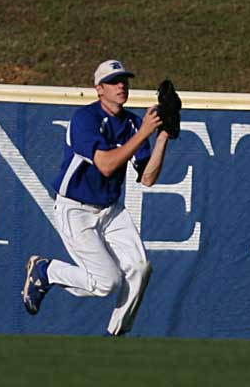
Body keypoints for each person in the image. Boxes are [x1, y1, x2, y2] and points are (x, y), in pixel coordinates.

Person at [22, 59, 170, 336]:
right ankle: (47, 271)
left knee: (140, 268)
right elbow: (106, 165)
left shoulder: (133, 123)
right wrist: (145, 133)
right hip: (75, 209)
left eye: (124, 80)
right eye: (113, 81)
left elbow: (147, 178)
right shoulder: (85, 119)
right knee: (107, 282)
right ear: (99, 89)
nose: (121, 85)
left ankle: (116, 335)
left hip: (110, 209)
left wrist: (162, 138)